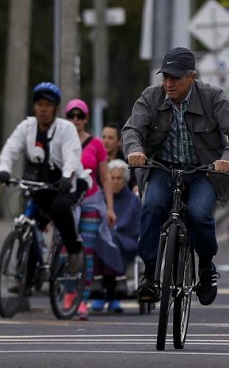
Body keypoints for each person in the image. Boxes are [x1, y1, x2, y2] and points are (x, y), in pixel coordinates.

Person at [121, 46, 229, 306]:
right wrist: (134, 151)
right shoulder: (151, 97)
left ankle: (205, 267)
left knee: (198, 214)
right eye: (165, 77)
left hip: (203, 171)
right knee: (153, 206)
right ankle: (149, 273)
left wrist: (228, 158)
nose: (169, 83)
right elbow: (132, 129)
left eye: (176, 77)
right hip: (163, 168)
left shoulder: (212, 97)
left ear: (192, 76)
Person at [0, 82, 90, 287]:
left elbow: (72, 156)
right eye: (39, 104)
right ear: (34, 107)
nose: (43, 109)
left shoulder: (66, 128)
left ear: (56, 108)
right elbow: (10, 149)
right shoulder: (26, 127)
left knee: (59, 208)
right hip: (42, 183)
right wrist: (4, 169)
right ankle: (28, 279)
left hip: (72, 182)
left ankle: (74, 250)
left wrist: (67, 176)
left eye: (48, 105)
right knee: (28, 222)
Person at [65, 98, 120, 320]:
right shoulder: (59, 140)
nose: (76, 120)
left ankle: (82, 300)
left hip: (91, 199)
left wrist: (109, 208)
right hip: (67, 200)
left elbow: (105, 178)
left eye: (80, 116)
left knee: (86, 252)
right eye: (72, 116)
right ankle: (69, 293)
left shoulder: (96, 144)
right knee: (66, 251)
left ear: (86, 119)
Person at [91, 159, 141, 313]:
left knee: (111, 238)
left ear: (125, 179)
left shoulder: (133, 200)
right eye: (112, 178)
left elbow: (136, 225)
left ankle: (99, 280)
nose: (115, 182)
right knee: (104, 238)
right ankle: (118, 282)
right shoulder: (101, 197)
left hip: (127, 239)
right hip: (106, 240)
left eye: (119, 178)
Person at [101, 123, 138, 192]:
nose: (106, 141)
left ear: (119, 141)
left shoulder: (128, 161)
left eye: (110, 138)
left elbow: (134, 183)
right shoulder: (96, 160)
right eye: (104, 137)